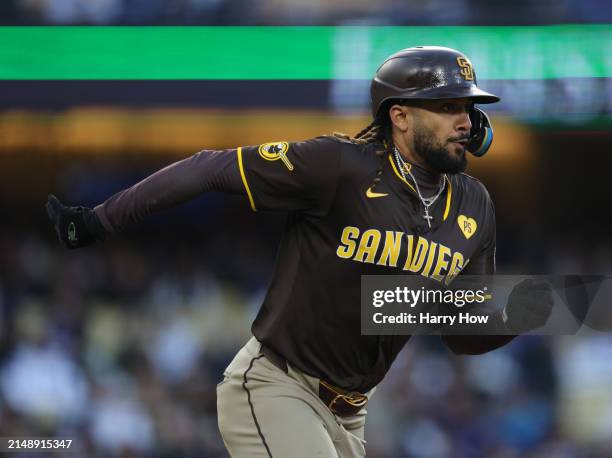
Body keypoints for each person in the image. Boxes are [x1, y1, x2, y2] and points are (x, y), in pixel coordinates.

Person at [46, 46, 553, 457]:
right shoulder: (340, 166)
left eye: (468, 107)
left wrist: (518, 315)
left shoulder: (474, 204)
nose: (466, 120)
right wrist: (97, 220)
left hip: (350, 415)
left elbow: (461, 334)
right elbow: (209, 167)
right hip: (276, 386)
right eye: (447, 107)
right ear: (400, 116)